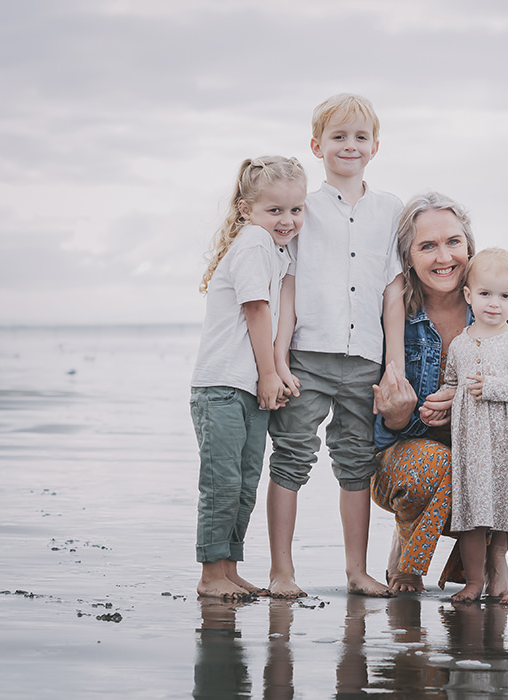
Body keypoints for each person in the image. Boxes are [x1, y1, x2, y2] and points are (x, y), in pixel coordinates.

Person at [370, 192, 508, 595]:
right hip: (414, 451)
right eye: (428, 246)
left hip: (493, 444)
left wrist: (471, 399)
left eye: (453, 242)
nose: (444, 257)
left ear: (469, 247)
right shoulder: (392, 312)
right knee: (437, 463)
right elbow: (370, 432)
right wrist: (399, 418)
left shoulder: (505, 297)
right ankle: (408, 546)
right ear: (408, 256)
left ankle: (496, 550)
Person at [267, 94, 404, 599]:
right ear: (316, 145)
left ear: (374, 147)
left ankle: (356, 569)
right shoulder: (305, 207)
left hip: (365, 358)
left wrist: (395, 365)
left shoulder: (390, 209)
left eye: (360, 137)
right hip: (308, 354)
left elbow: (393, 289)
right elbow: (288, 280)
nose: (350, 145)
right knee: (290, 457)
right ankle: (282, 571)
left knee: (356, 463)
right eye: (338, 136)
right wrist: (278, 359)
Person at [190, 156, 307, 599]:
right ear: (246, 210)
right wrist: (269, 373)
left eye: (295, 209)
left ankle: (230, 568)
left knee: (242, 482)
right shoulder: (255, 242)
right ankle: (210, 575)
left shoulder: (276, 250)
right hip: (222, 387)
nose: (287, 219)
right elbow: (256, 310)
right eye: (274, 209)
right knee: (222, 483)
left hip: (246, 385)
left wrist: (272, 373)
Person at [444, 248, 508, 605]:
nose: (494, 303)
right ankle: (475, 581)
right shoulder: (459, 344)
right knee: (472, 518)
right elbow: (452, 384)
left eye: (505, 296)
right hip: (472, 448)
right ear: (468, 294)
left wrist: (492, 387)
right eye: (486, 294)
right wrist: (436, 405)